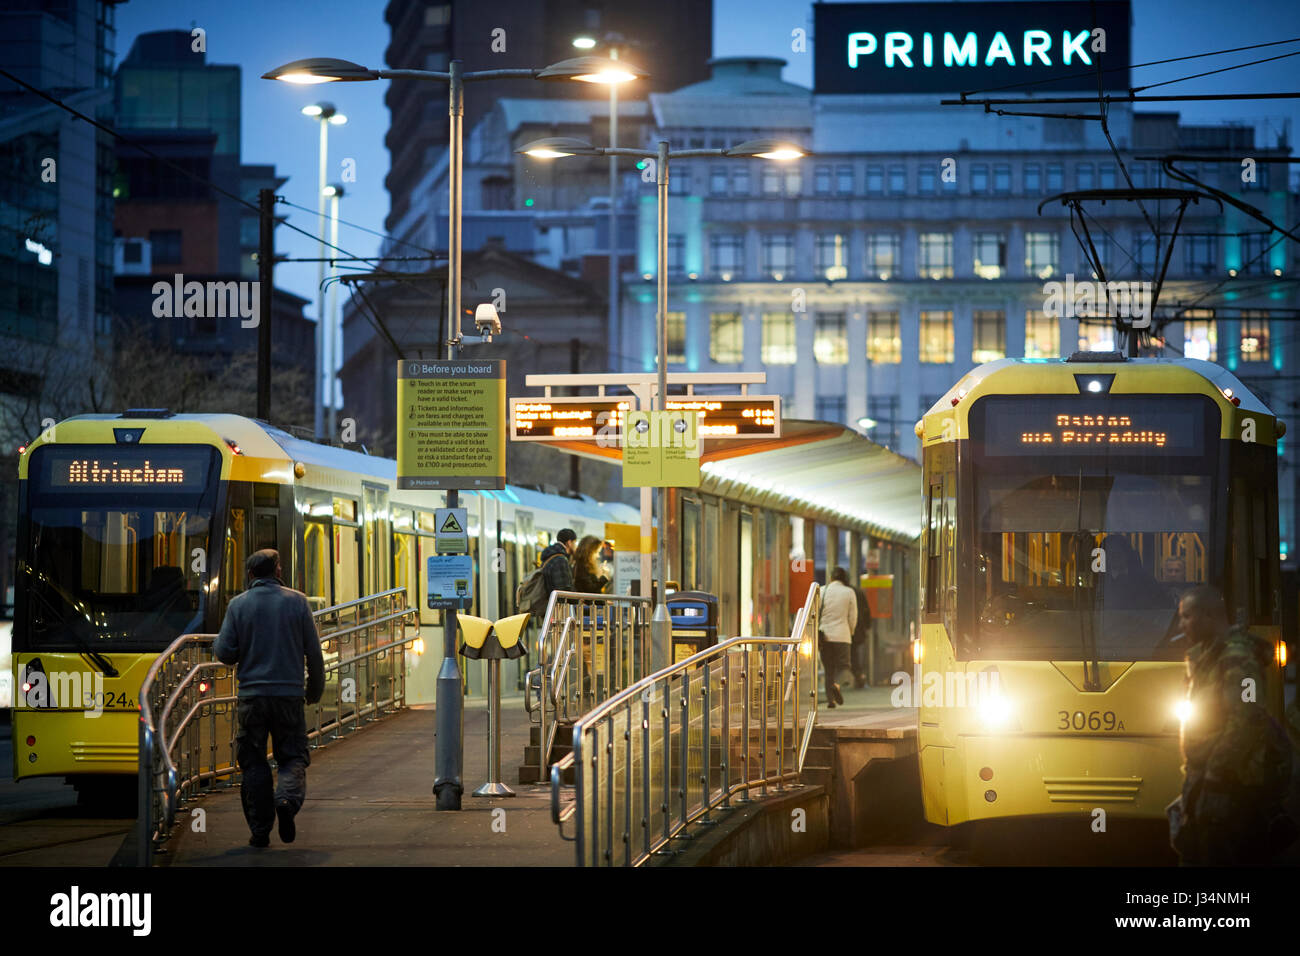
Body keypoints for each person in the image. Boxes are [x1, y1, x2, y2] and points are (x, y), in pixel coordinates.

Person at [1167, 585, 1295, 865]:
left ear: (1209, 616)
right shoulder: (1208, 656)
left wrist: (1215, 775)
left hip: (1231, 788)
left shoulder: (1237, 658)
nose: (1181, 625)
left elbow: (1247, 720)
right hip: (1213, 783)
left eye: (1187, 617)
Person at [214, 549, 325, 848]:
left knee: (253, 763)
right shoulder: (298, 602)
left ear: (250, 575)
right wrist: (314, 689)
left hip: (252, 697)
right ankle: (286, 801)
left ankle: (260, 831)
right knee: (291, 757)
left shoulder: (238, 605)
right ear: (277, 571)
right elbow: (313, 653)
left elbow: (224, 652)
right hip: (289, 696)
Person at [818, 567, 857, 708]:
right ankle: (837, 685)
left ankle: (831, 701)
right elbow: (853, 616)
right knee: (844, 667)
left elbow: (815, 613)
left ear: (831, 578)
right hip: (842, 635)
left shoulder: (822, 591)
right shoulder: (849, 592)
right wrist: (850, 632)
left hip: (825, 635)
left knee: (829, 668)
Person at [539, 528, 577, 604]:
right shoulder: (560, 560)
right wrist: (579, 602)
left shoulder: (550, 556)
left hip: (549, 605)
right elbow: (564, 589)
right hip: (558, 608)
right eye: (575, 543)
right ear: (569, 543)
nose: (576, 546)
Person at [850, 576, 872, 688]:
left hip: (843, 631)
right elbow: (866, 610)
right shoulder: (858, 592)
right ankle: (859, 677)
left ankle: (852, 679)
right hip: (857, 630)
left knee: (849, 656)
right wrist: (867, 626)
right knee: (854, 655)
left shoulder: (830, 591)